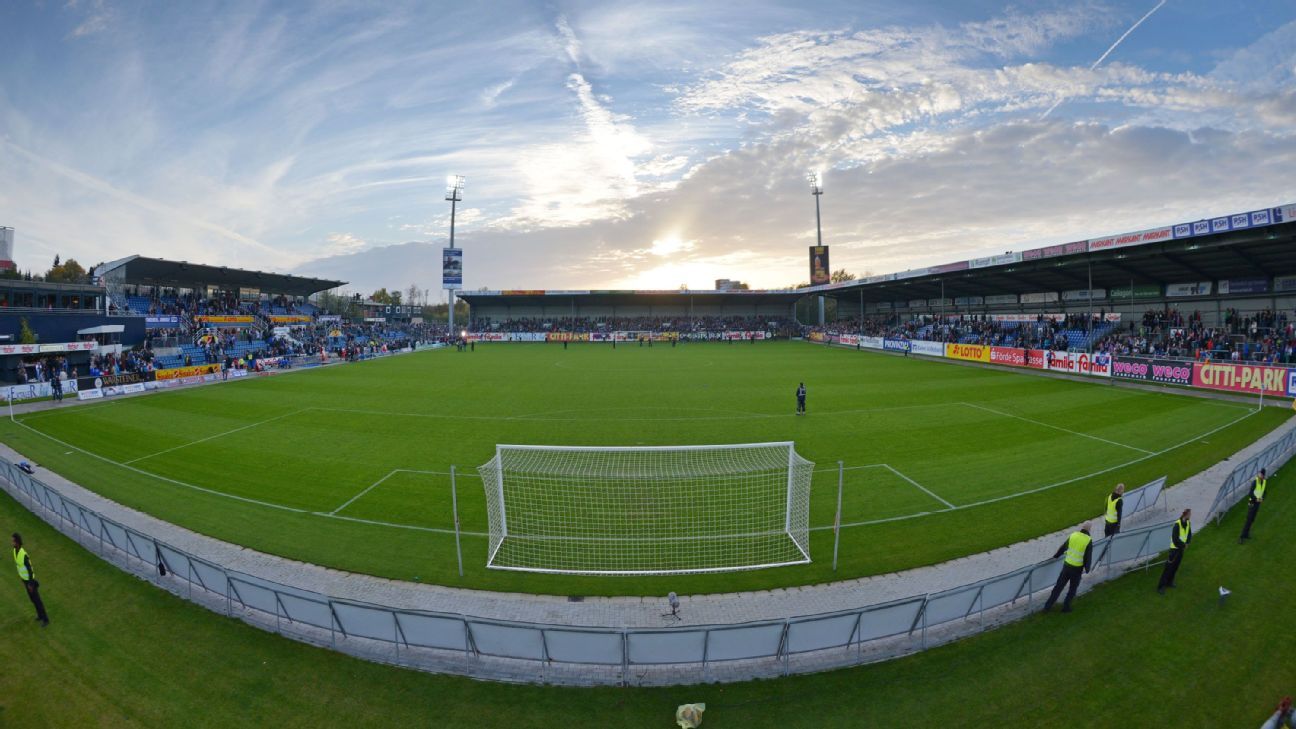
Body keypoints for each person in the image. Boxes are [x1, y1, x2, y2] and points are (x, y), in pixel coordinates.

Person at [1043, 524, 1093, 613]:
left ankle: (1047, 606)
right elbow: (1087, 557)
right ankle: (1066, 607)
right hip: (1077, 569)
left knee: (1058, 587)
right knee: (1072, 589)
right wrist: (1087, 569)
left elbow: (1063, 547)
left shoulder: (1073, 535)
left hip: (1066, 566)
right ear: (1089, 530)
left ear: (1081, 528)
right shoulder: (1088, 540)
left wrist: (1056, 556)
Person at [12, 533, 48, 626]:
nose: (12, 542)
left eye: (13, 541)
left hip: (29, 582)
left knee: (37, 600)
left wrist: (31, 584)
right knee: (32, 599)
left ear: (17, 542)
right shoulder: (14, 551)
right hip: (25, 580)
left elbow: (30, 569)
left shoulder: (23, 555)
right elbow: (19, 566)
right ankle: (40, 615)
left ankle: (45, 619)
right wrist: (21, 578)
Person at [1157, 509, 1192, 594]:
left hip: (1181, 550)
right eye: (1189, 514)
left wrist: (1187, 542)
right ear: (1185, 515)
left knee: (1175, 567)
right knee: (1168, 568)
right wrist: (1184, 545)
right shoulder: (1177, 524)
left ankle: (1170, 582)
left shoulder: (1187, 523)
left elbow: (1189, 534)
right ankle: (1161, 587)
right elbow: (1175, 539)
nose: (1190, 516)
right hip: (1174, 550)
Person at [1239, 468, 1267, 543]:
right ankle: (1241, 537)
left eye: (1260, 474)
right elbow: (1250, 493)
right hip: (1252, 501)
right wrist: (1256, 499)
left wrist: (1262, 499)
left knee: (1252, 519)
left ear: (1263, 475)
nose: (1259, 475)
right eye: (1259, 473)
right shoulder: (1255, 482)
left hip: (1258, 502)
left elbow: (1264, 492)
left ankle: (1246, 534)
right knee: (1249, 519)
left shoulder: (1264, 482)